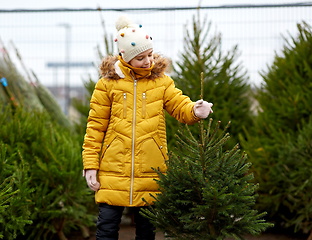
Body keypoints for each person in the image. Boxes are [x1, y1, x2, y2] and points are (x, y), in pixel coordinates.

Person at [82, 15, 213, 240]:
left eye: (150, 55)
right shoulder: (107, 84)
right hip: (113, 170)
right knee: (106, 228)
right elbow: (95, 127)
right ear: (125, 57)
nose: (147, 61)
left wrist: (194, 110)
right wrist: (90, 165)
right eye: (140, 57)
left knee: (146, 230)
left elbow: (180, 105)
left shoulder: (161, 82)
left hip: (151, 169)